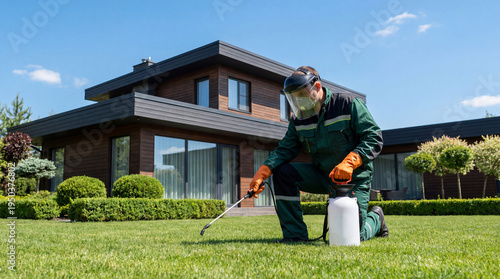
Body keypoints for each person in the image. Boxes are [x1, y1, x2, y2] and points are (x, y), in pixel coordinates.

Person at [249, 66, 388, 243]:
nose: (299, 101)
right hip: (321, 174)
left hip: (353, 179)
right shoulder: (299, 119)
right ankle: (295, 235)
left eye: (302, 94)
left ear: (317, 87)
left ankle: (377, 217)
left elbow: (373, 136)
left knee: (353, 235)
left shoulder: (347, 104)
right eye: (294, 97)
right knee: (283, 173)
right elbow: (285, 149)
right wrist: (262, 173)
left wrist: (350, 162)